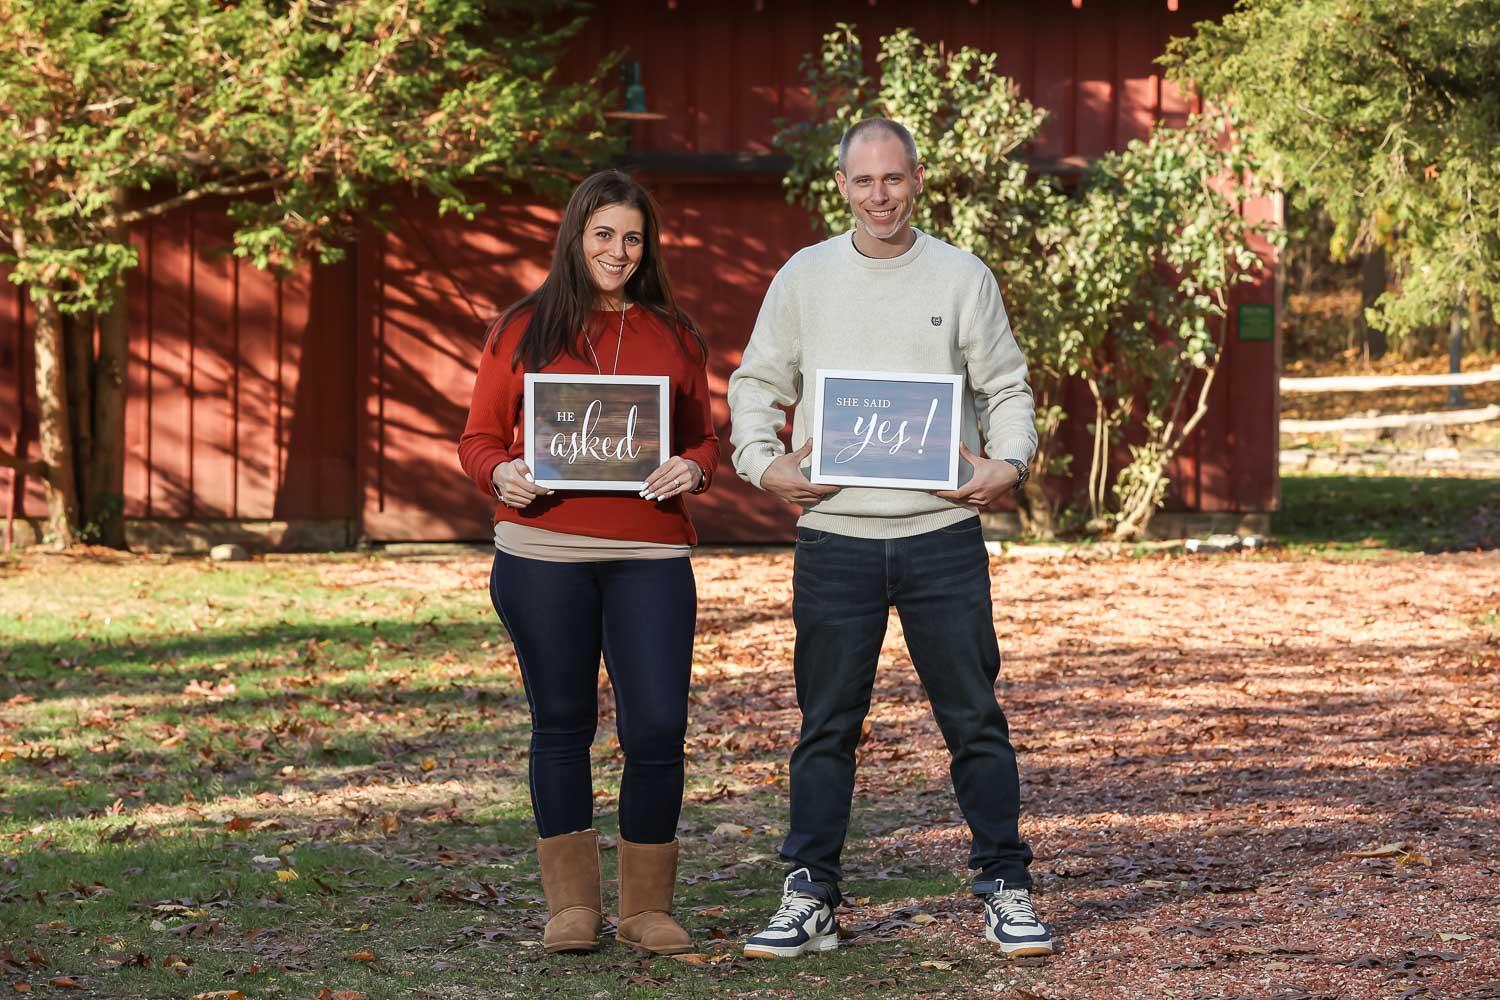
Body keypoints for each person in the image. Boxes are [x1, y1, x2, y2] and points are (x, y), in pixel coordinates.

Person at [727, 119, 1052, 960]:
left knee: (974, 719)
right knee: (825, 725)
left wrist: (1006, 463)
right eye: (864, 182)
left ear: (917, 182)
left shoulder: (960, 275)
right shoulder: (805, 277)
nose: (880, 196)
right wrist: (765, 465)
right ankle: (812, 898)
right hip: (835, 540)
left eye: (894, 180)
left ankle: (1006, 886)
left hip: (942, 536)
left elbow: (1007, 385)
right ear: (840, 185)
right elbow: (757, 382)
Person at [458, 169, 718, 956]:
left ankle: (646, 907)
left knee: (658, 727)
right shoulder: (522, 328)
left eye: (632, 237)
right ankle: (572, 906)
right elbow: (477, 439)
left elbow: (705, 437)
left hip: (649, 554)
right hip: (542, 553)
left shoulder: (673, 334)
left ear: (648, 248)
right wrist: (499, 473)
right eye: (603, 233)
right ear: (576, 236)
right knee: (562, 724)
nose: (618, 250)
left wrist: (695, 469)